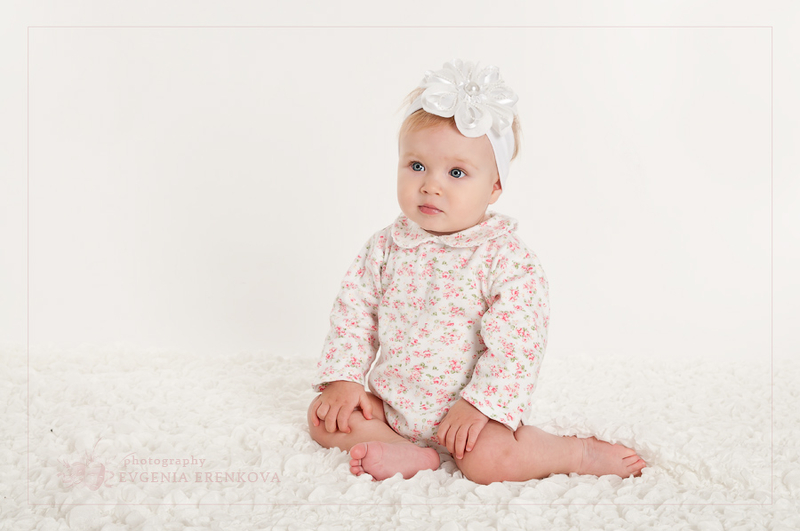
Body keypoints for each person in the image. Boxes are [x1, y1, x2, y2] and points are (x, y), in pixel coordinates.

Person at [307, 59, 646, 484]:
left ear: (494, 186)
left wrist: (481, 404)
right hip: (392, 406)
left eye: (456, 173)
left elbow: (517, 344)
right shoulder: (386, 246)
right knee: (324, 416)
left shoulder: (506, 259)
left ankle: (574, 452)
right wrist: (344, 379)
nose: (431, 185)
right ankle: (401, 449)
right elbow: (353, 313)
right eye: (416, 166)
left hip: (471, 418)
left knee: (490, 463)